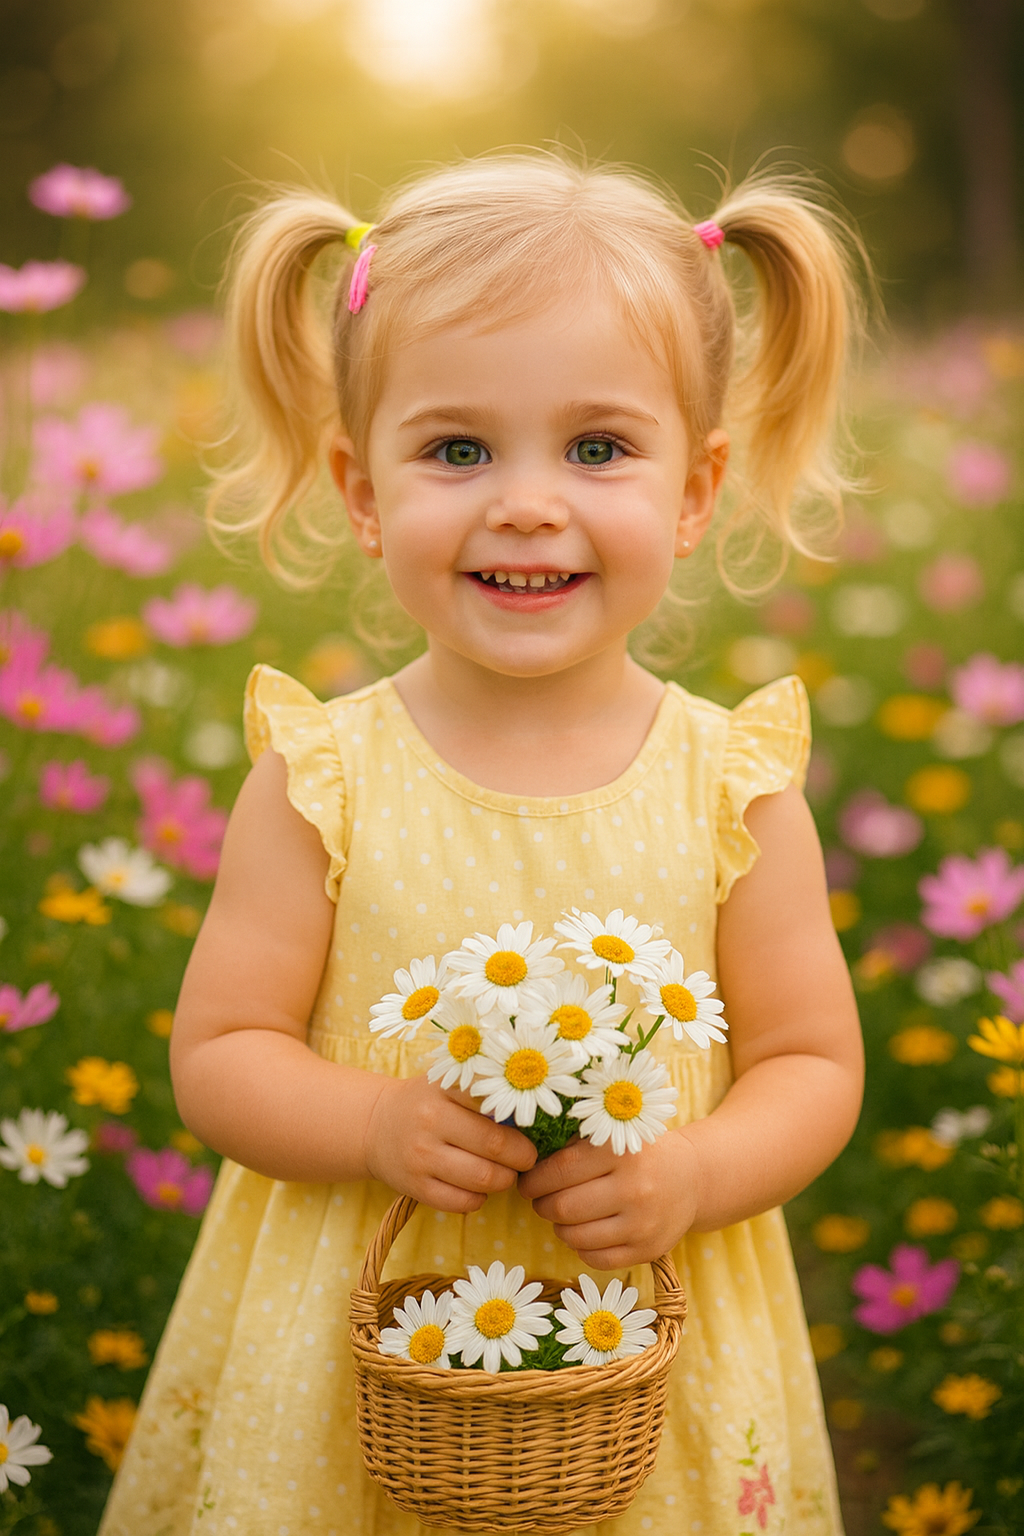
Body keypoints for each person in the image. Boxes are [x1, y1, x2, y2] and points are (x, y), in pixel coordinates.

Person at [99, 153, 864, 1536]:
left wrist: (692, 1172)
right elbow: (221, 1055)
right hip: (354, 1351)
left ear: (694, 492)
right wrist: (374, 1122)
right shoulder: (322, 777)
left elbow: (812, 1064)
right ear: (362, 488)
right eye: (458, 449)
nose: (525, 501)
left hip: (649, 1338)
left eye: (597, 448)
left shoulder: (732, 787)